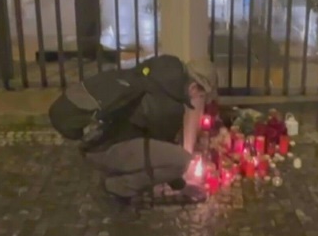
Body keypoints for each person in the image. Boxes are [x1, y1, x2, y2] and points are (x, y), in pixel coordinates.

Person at [48, 55, 218, 206]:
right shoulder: (169, 107)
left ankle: (115, 166)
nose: (199, 99)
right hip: (103, 147)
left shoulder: (162, 67)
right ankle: (117, 187)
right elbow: (165, 153)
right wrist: (181, 186)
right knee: (180, 161)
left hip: (97, 134)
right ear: (193, 88)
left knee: (159, 150)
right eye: (201, 96)